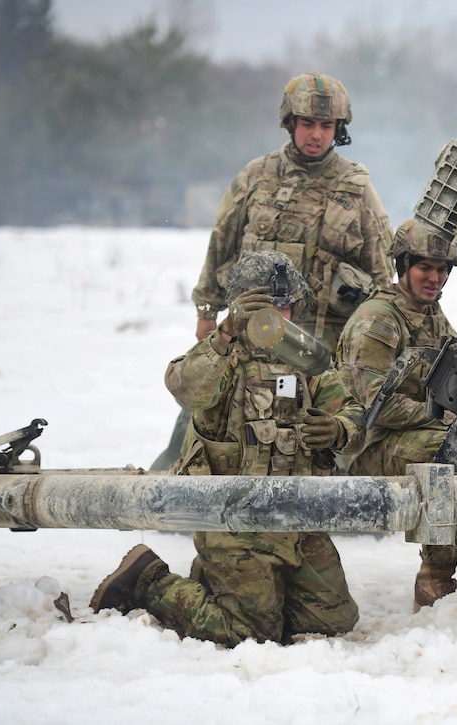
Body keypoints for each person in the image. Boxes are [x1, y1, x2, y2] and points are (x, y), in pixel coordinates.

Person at [91, 251, 366, 646]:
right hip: (231, 518)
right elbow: (184, 387)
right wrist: (224, 334)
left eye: (285, 305)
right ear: (243, 307)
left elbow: (355, 417)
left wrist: (338, 430)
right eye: (266, 307)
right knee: (251, 635)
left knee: (334, 621)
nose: (279, 318)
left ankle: (233, 589)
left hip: (295, 517)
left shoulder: (305, 359)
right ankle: (147, 580)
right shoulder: (223, 354)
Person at [150, 71, 394, 471]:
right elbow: (221, 244)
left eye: (326, 125)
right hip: (252, 329)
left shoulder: (356, 188)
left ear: (339, 129)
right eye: (308, 124)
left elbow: (382, 270)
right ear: (290, 123)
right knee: (206, 405)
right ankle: (168, 488)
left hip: (324, 334)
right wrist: (207, 315)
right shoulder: (256, 177)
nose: (316, 134)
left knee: (327, 421)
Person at [335, 219, 457, 611]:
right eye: (425, 268)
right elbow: (377, 404)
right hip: (368, 445)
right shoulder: (378, 319)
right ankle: (435, 575)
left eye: (442, 270)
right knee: (450, 455)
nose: (435, 278)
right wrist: (444, 418)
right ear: (403, 267)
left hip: (409, 433)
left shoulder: (431, 315)